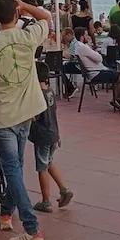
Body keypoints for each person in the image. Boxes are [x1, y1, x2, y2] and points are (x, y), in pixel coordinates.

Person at [0, 0, 52, 240]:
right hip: (26, 113)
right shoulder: (28, 37)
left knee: (12, 170)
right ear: (16, 14)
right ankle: (7, 213)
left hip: (2, 116)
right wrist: (26, 5)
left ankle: (32, 229)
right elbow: (47, 18)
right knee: (15, 167)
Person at [29, 61, 74, 213]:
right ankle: (64, 189)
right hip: (53, 133)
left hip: (42, 136)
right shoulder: (50, 92)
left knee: (42, 168)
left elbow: (33, 117)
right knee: (49, 163)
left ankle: (46, 201)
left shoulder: (37, 95)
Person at [73, 27, 120, 110]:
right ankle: (117, 99)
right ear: (82, 37)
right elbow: (99, 58)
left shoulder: (77, 46)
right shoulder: (83, 47)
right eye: (86, 35)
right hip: (97, 73)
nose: (88, 37)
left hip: (94, 72)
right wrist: (93, 50)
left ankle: (118, 99)